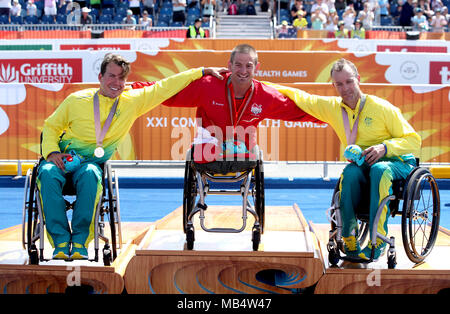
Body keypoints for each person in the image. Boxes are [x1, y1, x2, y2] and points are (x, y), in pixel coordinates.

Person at [38, 53, 225, 260]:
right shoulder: (76, 100)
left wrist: (200, 71)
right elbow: (51, 126)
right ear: (100, 76)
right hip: (63, 159)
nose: (116, 82)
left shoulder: (132, 101)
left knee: (91, 174)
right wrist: (52, 152)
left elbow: (165, 86)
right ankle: (61, 242)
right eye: (111, 76)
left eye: (121, 78)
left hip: (91, 165)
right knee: (46, 172)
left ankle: (81, 241)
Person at [266, 58, 421, 261]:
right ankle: (349, 236)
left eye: (349, 81)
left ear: (358, 79)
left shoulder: (382, 108)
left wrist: (385, 147)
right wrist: (257, 84)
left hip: (398, 163)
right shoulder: (332, 108)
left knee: (380, 170)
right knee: (349, 172)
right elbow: (299, 96)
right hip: (364, 165)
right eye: (339, 84)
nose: (345, 88)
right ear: (333, 85)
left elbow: (414, 141)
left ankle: (379, 240)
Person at [131, 44, 320, 165]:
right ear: (229, 65)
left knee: (252, 156)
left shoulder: (266, 96)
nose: (243, 71)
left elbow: (298, 111)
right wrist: (133, 89)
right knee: (201, 152)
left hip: (244, 151)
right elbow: (165, 91)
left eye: (249, 66)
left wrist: (329, 117)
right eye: (238, 65)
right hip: (209, 147)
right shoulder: (209, 85)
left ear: (257, 67)